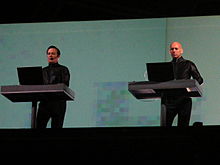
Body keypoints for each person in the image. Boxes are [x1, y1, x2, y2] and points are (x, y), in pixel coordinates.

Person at [162, 41, 203, 127]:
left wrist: (189, 89)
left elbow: (199, 80)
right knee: (165, 126)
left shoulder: (188, 64)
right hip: (169, 100)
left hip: (184, 100)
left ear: (181, 50)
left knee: (183, 127)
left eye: (176, 48)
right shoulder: (167, 66)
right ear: (170, 51)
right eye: (172, 49)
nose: (174, 51)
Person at [36, 45, 70, 128]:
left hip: (58, 103)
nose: (50, 55)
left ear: (58, 56)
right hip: (44, 103)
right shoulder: (43, 71)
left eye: (53, 53)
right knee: (39, 127)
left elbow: (65, 85)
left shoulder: (63, 69)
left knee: (56, 128)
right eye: (49, 53)